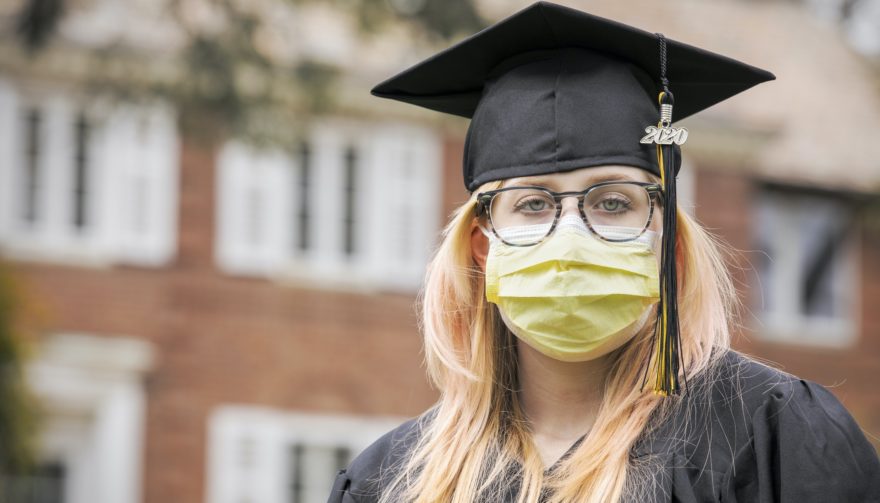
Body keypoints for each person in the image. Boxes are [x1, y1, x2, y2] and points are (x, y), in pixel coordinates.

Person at [327, 2, 880, 502]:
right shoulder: (391, 479)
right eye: (532, 204)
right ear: (482, 247)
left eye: (613, 202)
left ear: (666, 241)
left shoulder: (773, 439)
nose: (572, 235)